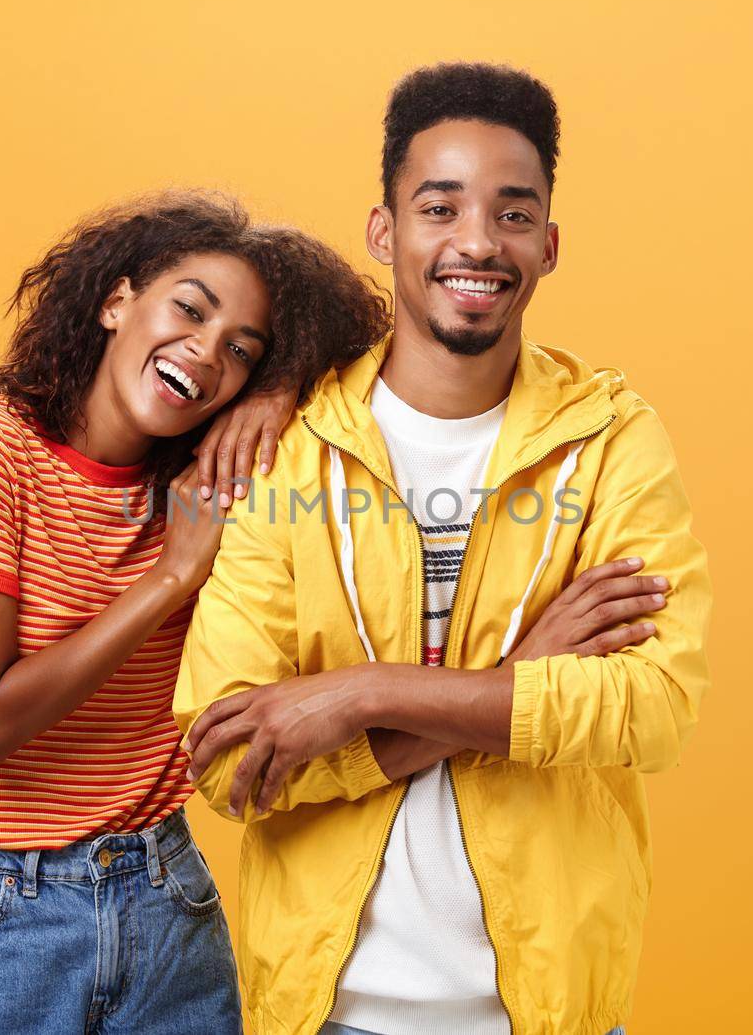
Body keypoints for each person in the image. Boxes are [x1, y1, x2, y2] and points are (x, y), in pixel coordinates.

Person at [177, 63, 713, 1034]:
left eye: (512, 214)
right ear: (385, 232)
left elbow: (651, 706)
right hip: (326, 1010)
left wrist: (357, 693)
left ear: (547, 245)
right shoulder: (291, 445)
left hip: (547, 1011)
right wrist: (520, 677)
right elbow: (229, 754)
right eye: (439, 206)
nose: (476, 241)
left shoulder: (610, 440)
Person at [0, 191, 388, 1034]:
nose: (205, 350)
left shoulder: (206, 484)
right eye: (189, 309)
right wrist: (171, 577)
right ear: (117, 302)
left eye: (241, 349)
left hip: (168, 903)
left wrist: (284, 388)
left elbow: (393, 363)